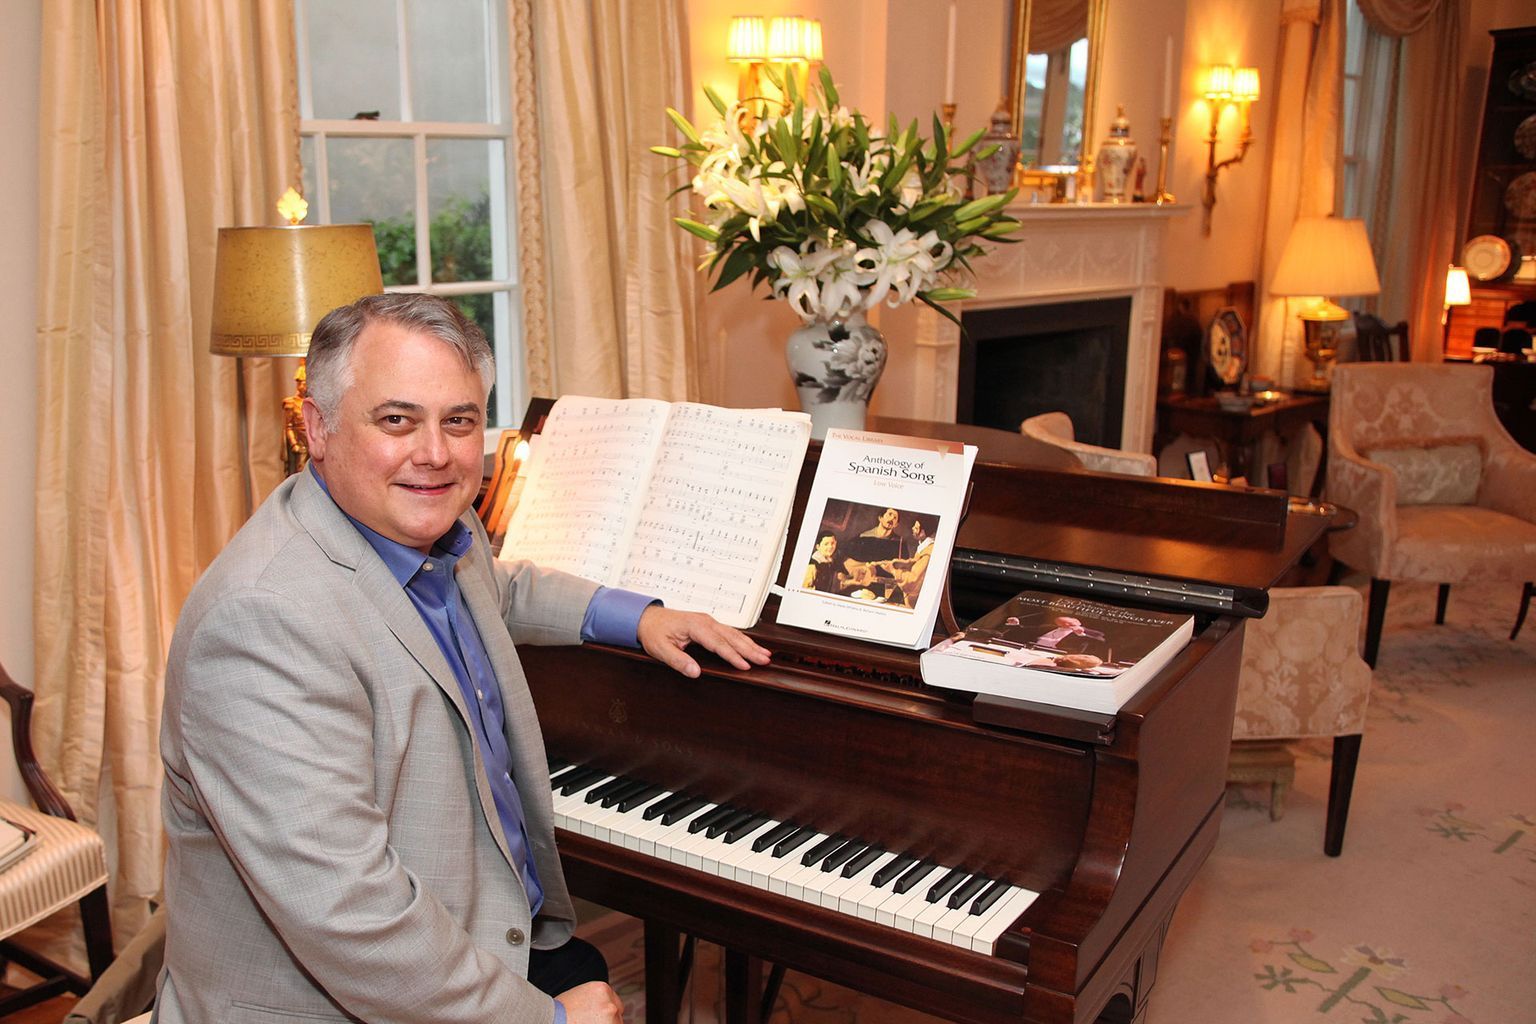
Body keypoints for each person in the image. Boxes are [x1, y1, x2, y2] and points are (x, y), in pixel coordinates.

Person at [158, 293, 770, 1024]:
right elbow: (352, 918)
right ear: (317, 428)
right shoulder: (262, 623)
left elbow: (498, 588)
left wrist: (636, 615)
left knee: (586, 965)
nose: (436, 453)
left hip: (485, 926)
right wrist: (548, 1021)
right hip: (328, 998)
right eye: (396, 419)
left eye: (459, 420)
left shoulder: (434, 525)